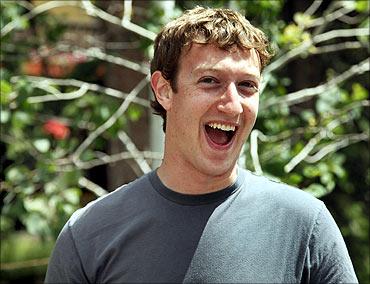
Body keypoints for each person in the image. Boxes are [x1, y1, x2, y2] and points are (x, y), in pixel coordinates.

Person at [45, 6, 358, 283]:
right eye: (211, 81)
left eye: (247, 85)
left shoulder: (305, 226)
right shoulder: (89, 235)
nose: (233, 105)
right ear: (164, 90)